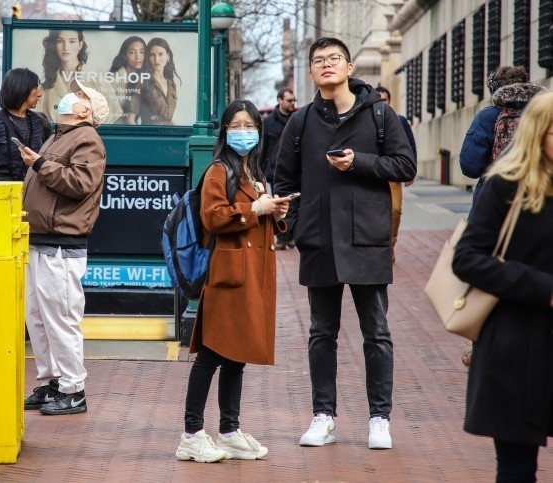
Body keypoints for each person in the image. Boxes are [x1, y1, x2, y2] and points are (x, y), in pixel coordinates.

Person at [273, 37, 416, 450]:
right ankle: (324, 415)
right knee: (322, 332)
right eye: (318, 61)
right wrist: (298, 227)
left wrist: (360, 162)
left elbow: (404, 165)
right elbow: (285, 181)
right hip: (319, 240)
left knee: (376, 330)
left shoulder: (379, 115)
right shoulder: (300, 122)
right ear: (313, 73)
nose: (326, 65)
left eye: (334, 59)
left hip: (367, 239)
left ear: (350, 68)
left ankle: (379, 418)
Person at [174, 100, 290, 463]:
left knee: (236, 356)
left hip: (251, 275)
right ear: (224, 131)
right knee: (210, 355)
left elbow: (254, 217)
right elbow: (213, 217)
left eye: (250, 125)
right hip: (228, 277)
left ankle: (229, 429)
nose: (244, 132)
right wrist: (255, 209)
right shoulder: (217, 171)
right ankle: (191, 434)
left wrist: (274, 211)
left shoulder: (253, 170)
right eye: (236, 126)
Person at [452, 90, 553, 483]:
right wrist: (542, 288)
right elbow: (468, 258)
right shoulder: (505, 186)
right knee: (516, 469)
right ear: (537, 134)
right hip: (516, 345)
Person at [19, 79, 109, 415]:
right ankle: (53, 382)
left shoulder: (87, 138)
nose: (71, 96)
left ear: (85, 110)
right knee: (40, 317)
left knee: (59, 317)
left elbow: (81, 183)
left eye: (80, 95)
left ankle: (73, 390)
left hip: (61, 244)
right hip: (43, 239)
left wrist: (39, 164)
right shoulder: (61, 136)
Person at [459, 66, 529, 206]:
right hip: (534, 196)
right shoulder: (539, 113)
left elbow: (470, 166)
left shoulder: (488, 116)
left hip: (493, 196)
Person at [374, 86, 418, 263]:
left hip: (393, 172)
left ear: (389, 101)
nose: (382, 103)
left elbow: (410, 145)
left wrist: (411, 171)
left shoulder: (399, 120)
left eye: (384, 100)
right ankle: (377, 247)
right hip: (373, 173)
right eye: (379, 99)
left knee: (395, 210)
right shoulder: (367, 120)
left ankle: (390, 245)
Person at [261, 87, 297, 249]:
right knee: (280, 203)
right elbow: (263, 149)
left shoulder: (297, 119)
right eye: (289, 100)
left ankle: (291, 235)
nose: (292, 103)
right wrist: (259, 171)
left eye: (294, 100)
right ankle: (283, 238)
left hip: (296, 169)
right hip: (275, 171)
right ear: (280, 100)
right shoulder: (268, 123)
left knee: (295, 204)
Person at [136, 38, 180, 125]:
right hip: (150, 134)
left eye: (160, 54)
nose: (157, 60)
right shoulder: (142, 82)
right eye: (152, 55)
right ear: (148, 58)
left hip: (171, 134)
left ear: (168, 55)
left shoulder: (171, 84)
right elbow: (130, 118)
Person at [108, 36, 146, 125]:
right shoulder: (114, 78)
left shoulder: (144, 78)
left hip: (133, 129)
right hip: (114, 129)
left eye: (142, 52)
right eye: (132, 52)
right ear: (125, 55)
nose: (138, 57)